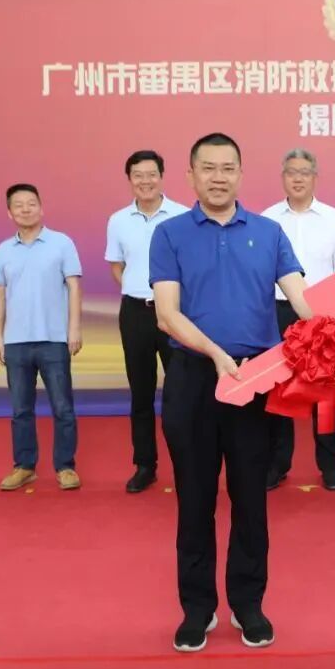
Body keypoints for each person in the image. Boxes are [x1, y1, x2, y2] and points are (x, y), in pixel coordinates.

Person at [150, 132, 311, 653]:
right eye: (208, 168)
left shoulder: (269, 232)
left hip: (256, 381)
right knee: (194, 500)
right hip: (195, 378)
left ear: (241, 174)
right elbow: (167, 314)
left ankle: (248, 604)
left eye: (227, 168)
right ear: (191, 175)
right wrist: (217, 355)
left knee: (251, 500)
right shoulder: (169, 234)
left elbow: (303, 300)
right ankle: (197, 609)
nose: (218, 178)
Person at [261, 148, 335, 491]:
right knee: (279, 392)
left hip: (321, 315)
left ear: (315, 177)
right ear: (282, 177)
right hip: (278, 311)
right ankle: (277, 463)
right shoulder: (268, 219)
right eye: (291, 172)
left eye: (304, 172)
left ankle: (330, 464)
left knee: (324, 395)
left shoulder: (334, 219)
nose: (297, 178)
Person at [104, 150, 190, 494]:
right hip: (136, 313)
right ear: (129, 180)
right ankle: (145, 465)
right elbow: (117, 266)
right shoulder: (118, 220)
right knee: (140, 393)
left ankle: (187, 464)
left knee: (181, 393)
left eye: (151, 174)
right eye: (138, 175)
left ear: (162, 176)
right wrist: (139, 290)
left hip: (175, 313)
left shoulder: (183, 216)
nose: (145, 181)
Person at [0, 183, 83, 491]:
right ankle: (24, 466)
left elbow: (74, 287)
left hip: (54, 338)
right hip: (16, 342)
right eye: (18, 205)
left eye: (31, 203)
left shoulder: (62, 243)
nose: (26, 209)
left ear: (41, 208)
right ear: (9, 212)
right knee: (20, 410)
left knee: (63, 407)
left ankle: (66, 467)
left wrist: (73, 329)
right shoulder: (3, 250)